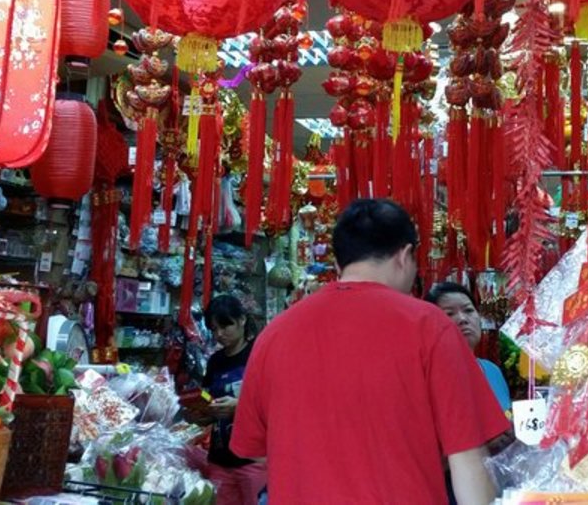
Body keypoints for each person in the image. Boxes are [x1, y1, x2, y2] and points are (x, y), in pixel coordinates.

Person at [231, 199, 509, 505]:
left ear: (338, 264)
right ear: (405, 256)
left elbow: (256, 452)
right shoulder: (430, 327)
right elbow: (467, 458)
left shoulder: (275, 334)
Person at [201, 294, 266, 505]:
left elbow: (277, 403)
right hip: (220, 459)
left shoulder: (260, 354)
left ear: (242, 320)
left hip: (254, 460)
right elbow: (207, 399)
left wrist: (239, 407)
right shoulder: (215, 362)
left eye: (225, 326)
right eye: (214, 329)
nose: (220, 334)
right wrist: (198, 412)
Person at [425, 282, 512, 414]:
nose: (462, 319)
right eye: (449, 313)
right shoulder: (427, 376)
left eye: (468, 310)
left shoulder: (492, 370)